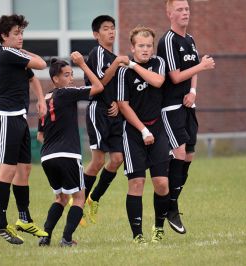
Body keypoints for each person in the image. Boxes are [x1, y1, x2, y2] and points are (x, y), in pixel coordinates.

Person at [157, 0, 215, 234]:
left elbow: (191, 75)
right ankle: (170, 205)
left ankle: (170, 202)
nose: (184, 13)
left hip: (188, 106)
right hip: (170, 108)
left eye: (187, 9)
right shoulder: (168, 41)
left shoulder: (189, 40)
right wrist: (201, 67)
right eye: (180, 9)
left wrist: (193, 92)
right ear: (169, 13)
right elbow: (175, 76)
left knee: (189, 155)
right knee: (179, 152)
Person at [0, 14, 48, 244]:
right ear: (4, 36)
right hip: (5, 118)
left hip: (19, 118)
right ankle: (0, 222)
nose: (20, 37)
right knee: (8, 170)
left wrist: (41, 99)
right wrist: (25, 52)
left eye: (22, 33)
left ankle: (23, 219)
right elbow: (42, 64)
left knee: (24, 170)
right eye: (16, 34)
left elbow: (32, 77)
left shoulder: (15, 55)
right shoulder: (7, 52)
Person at [37, 53, 104, 247]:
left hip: (47, 156)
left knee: (61, 197)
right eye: (66, 75)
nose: (70, 78)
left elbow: (40, 136)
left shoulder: (45, 99)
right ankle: (66, 238)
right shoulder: (66, 93)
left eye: (71, 74)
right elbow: (99, 87)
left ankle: (45, 236)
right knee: (79, 197)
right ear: (55, 79)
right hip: (67, 154)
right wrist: (83, 65)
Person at [117, 26, 169, 244]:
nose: (145, 49)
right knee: (137, 183)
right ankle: (137, 235)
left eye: (149, 45)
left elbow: (157, 81)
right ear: (132, 47)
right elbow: (122, 104)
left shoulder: (158, 63)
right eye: (141, 46)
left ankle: (158, 229)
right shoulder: (123, 72)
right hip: (134, 132)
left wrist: (133, 64)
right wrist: (142, 130)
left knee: (161, 184)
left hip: (157, 128)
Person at [83, 15, 130, 224]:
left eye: (113, 28)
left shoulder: (112, 55)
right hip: (98, 110)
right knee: (98, 161)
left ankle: (94, 199)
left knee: (118, 159)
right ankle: (79, 203)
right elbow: (100, 82)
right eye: (105, 28)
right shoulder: (97, 53)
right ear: (96, 34)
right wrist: (118, 62)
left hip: (113, 113)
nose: (111, 32)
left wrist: (116, 102)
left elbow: (115, 85)